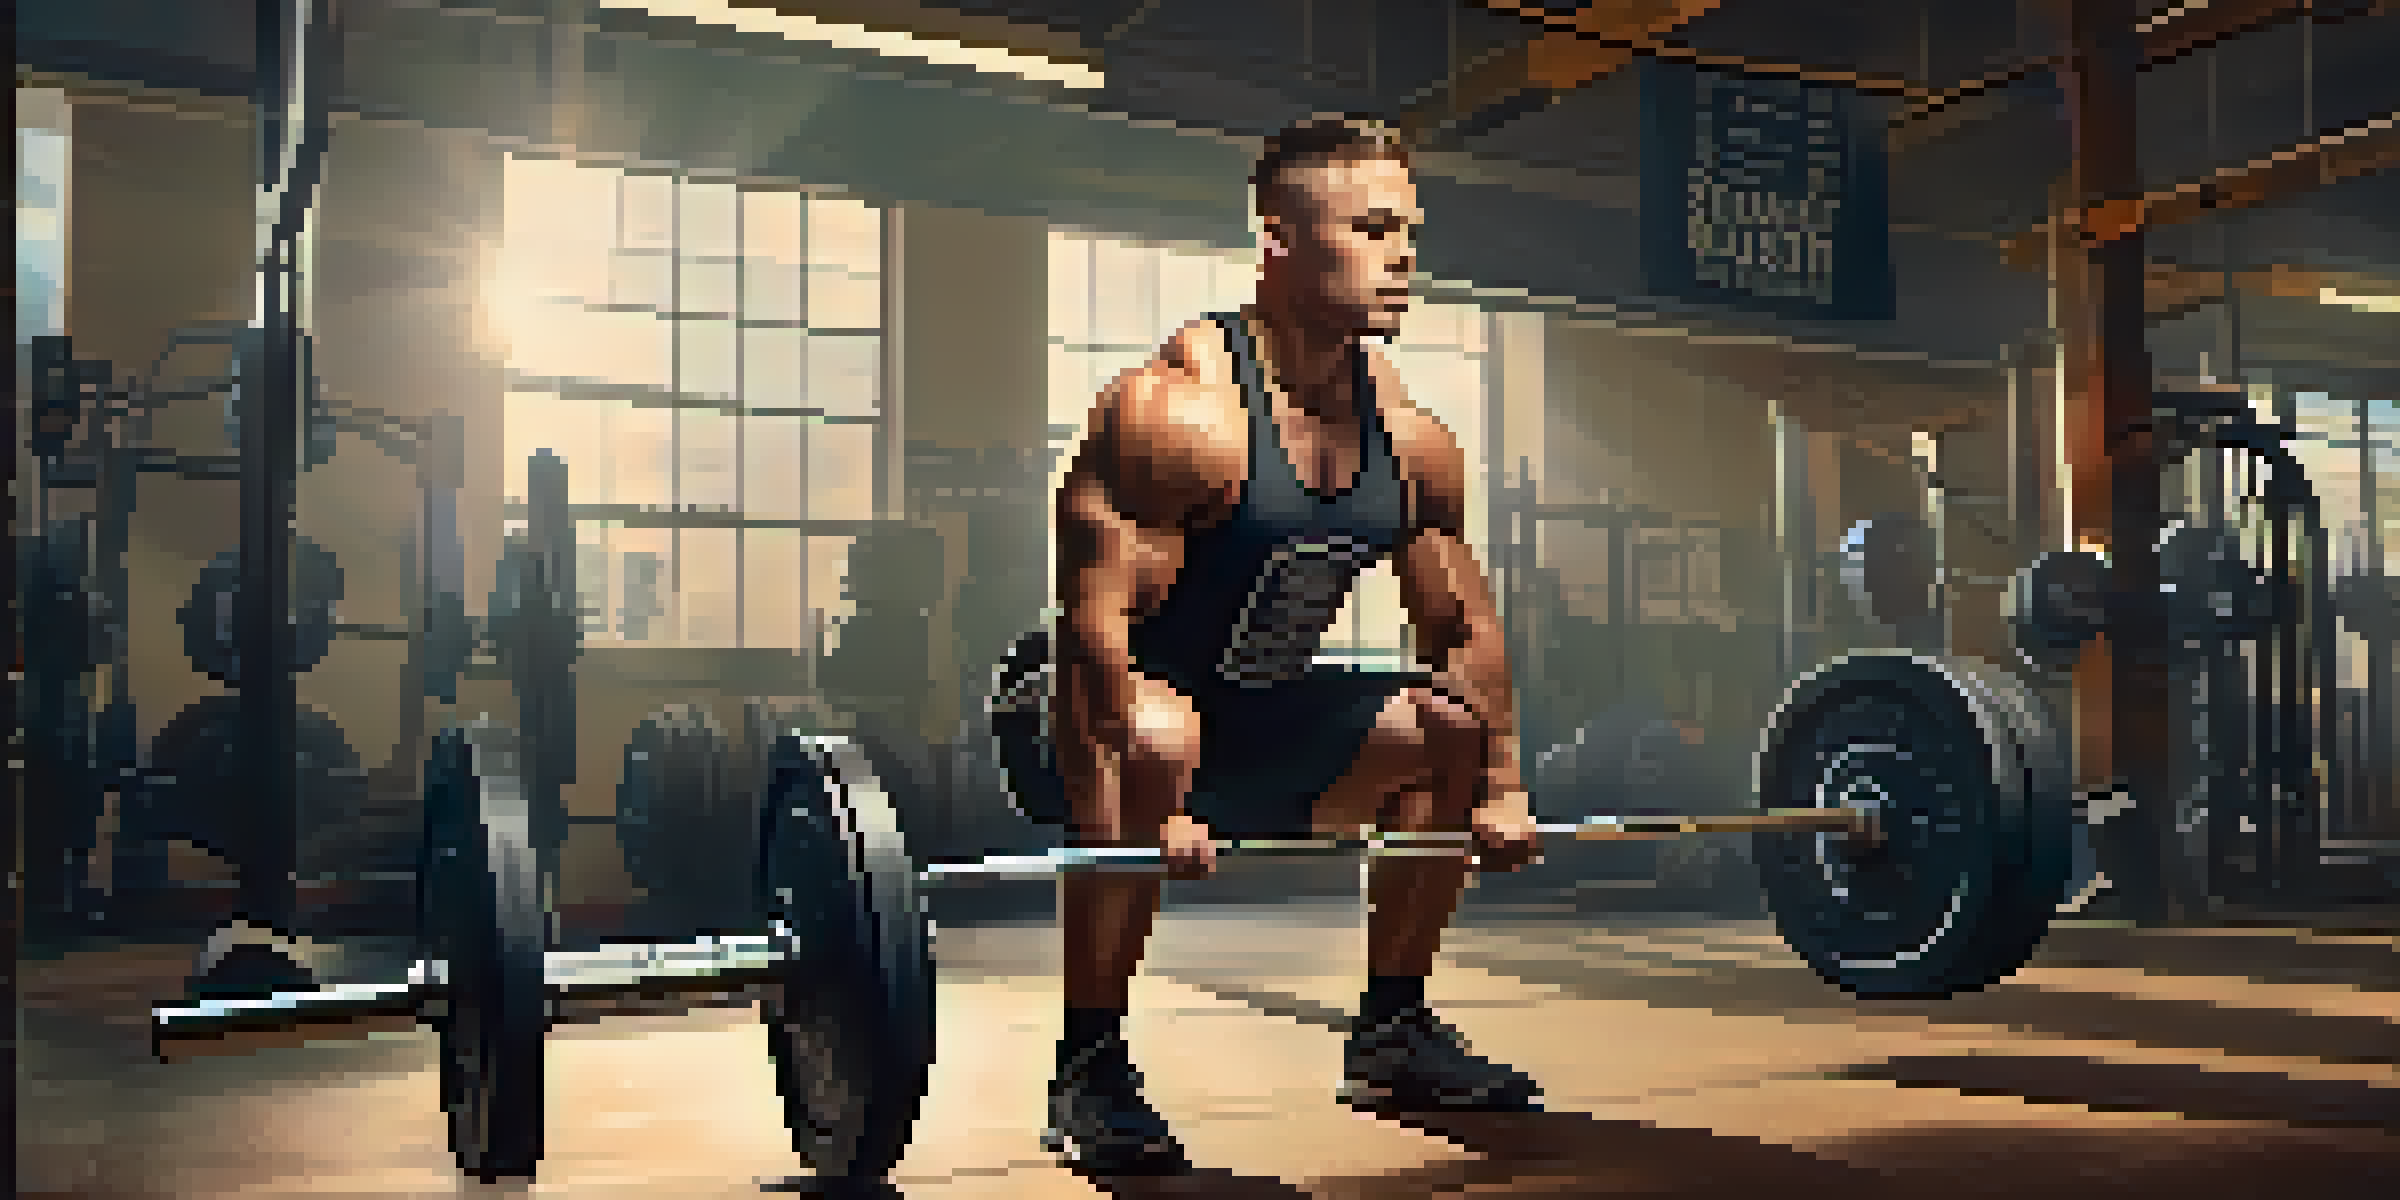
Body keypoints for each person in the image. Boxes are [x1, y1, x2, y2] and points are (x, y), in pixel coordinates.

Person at [1046, 114, 1544, 1175]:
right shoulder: (1179, 414)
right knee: (1155, 733)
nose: (1403, 254)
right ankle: (1088, 1064)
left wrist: (1500, 783)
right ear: (1278, 238)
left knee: (1444, 730)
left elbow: (1459, 623)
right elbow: (1095, 637)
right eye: (1371, 229)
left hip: (1255, 716)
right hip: (1098, 717)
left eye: (1409, 229)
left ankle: (1394, 1032)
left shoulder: (1407, 442)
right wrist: (1158, 806)